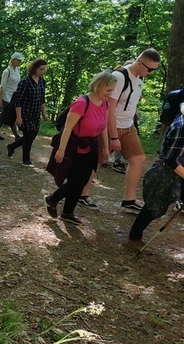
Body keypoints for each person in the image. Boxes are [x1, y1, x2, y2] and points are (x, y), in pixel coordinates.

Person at [45, 71, 115, 225]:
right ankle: (54, 200)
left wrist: (105, 148)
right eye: (108, 90)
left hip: (91, 146)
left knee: (82, 181)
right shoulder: (82, 103)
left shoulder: (105, 104)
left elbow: (103, 127)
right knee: (75, 180)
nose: (110, 94)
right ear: (99, 86)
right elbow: (68, 128)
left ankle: (66, 211)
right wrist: (61, 150)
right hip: (73, 146)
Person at [125, 99, 184, 254]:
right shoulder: (181, 126)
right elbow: (170, 159)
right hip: (165, 173)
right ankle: (134, 238)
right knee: (154, 207)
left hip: (179, 172)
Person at [106, 49, 161, 213]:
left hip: (128, 126)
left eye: (154, 70)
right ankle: (80, 195)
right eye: (150, 69)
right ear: (139, 63)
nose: (151, 73)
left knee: (138, 158)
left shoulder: (139, 78)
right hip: (112, 126)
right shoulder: (119, 77)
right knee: (97, 159)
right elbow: (109, 109)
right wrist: (114, 136)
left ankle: (128, 200)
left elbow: (132, 101)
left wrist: (133, 112)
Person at [7, 58, 49, 167]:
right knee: (29, 135)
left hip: (36, 113)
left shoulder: (42, 82)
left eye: (44, 69)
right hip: (25, 113)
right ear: (34, 68)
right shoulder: (25, 82)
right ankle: (26, 159)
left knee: (32, 135)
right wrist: (19, 117)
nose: (42, 71)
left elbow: (42, 99)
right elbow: (18, 101)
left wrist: (44, 113)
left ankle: (12, 146)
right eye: (41, 69)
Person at [0, 52, 23, 141]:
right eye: (18, 60)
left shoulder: (17, 70)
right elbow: (2, 86)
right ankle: (16, 136)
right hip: (6, 96)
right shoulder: (6, 71)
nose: (20, 62)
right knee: (9, 115)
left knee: (6, 116)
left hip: (14, 96)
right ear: (13, 60)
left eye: (20, 60)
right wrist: (0, 100)